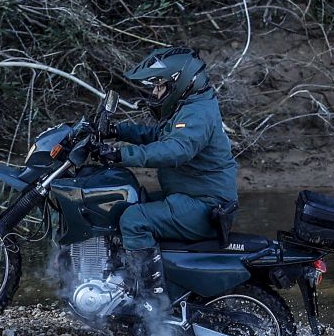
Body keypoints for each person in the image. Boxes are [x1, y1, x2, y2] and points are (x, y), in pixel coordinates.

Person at [93, 46, 240, 281]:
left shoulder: (197, 113)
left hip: (204, 205)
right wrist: (117, 131)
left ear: (179, 83)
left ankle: (149, 296)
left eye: (159, 86)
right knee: (124, 202)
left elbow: (176, 150)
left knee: (134, 220)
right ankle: (117, 276)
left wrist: (121, 155)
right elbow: (160, 136)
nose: (154, 91)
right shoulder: (190, 106)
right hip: (190, 197)